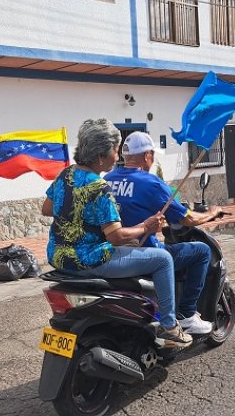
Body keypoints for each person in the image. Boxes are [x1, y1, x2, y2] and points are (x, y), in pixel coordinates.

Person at [41, 119, 193, 349]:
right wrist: (147, 226)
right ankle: (170, 327)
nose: (117, 156)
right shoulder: (99, 188)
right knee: (163, 259)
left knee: (131, 249)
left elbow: (48, 208)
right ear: (101, 155)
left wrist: (78, 214)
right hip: (89, 260)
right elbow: (116, 236)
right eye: (115, 149)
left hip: (59, 257)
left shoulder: (65, 175)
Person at [104, 131, 225, 334]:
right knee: (202, 251)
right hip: (145, 251)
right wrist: (212, 212)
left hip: (117, 252)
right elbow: (188, 219)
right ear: (146, 156)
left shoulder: (108, 178)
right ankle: (187, 315)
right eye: (152, 154)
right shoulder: (151, 183)